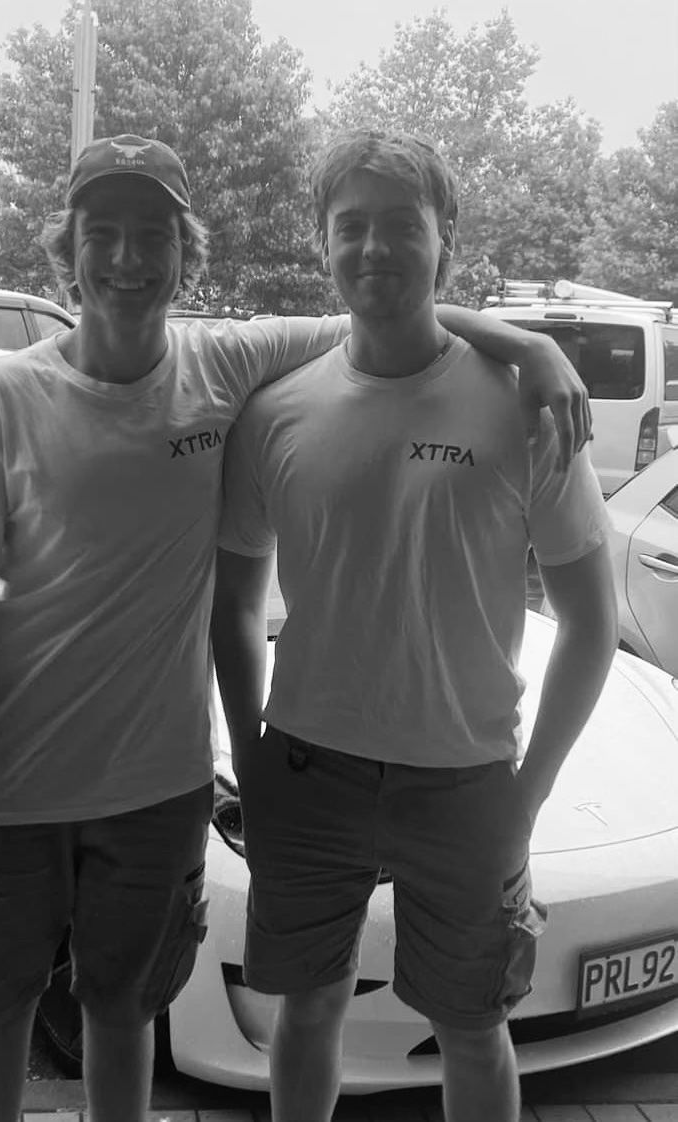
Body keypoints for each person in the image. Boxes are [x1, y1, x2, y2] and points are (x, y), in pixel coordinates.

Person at [0, 131, 591, 1122]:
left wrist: (528, 342)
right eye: (100, 234)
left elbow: (381, 302)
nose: (125, 258)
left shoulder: (258, 370)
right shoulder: (44, 398)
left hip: (301, 786)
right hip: (136, 777)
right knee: (33, 1022)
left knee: (147, 1026)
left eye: (152, 234)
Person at [211, 129, 618, 1122]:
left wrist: (520, 804)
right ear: (321, 244)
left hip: (467, 780)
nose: (375, 248)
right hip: (307, 773)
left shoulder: (528, 409)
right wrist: (254, 765)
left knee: (475, 1031)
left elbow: (593, 623)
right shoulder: (275, 411)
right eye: (351, 227)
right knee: (305, 1018)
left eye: (404, 225)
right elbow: (230, 602)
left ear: (448, 242)